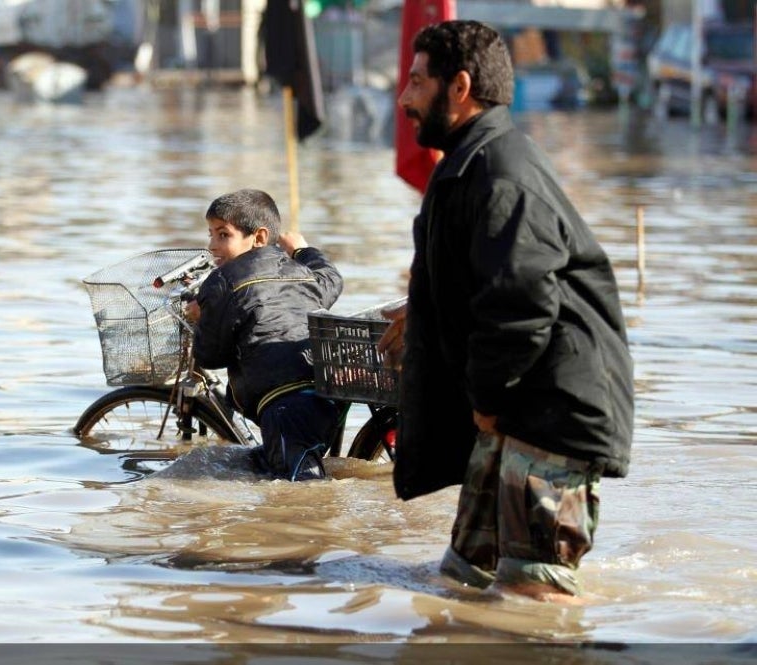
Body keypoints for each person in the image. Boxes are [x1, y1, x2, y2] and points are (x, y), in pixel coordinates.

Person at [378, 21, 634, 601]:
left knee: (534, 599)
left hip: (548, 411)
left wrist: (489, 400)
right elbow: (480, 278)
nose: (404, 99)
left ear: (460, 86)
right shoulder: (471, 162)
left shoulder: (502, 173)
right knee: (462, 577)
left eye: (417, 83)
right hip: (514, 405)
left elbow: (521, 301)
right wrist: (421, 312)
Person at [186, 189, 344, 481]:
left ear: (258, 237)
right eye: (210, 234)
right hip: (328, 394)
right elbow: (331, 279)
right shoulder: (301, 270)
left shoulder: (221, 281)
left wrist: (202, 317)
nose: (212, 245)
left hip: (285, 408)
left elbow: (210, 355)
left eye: (223, 235)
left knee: (302, 497)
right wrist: (302, 249)